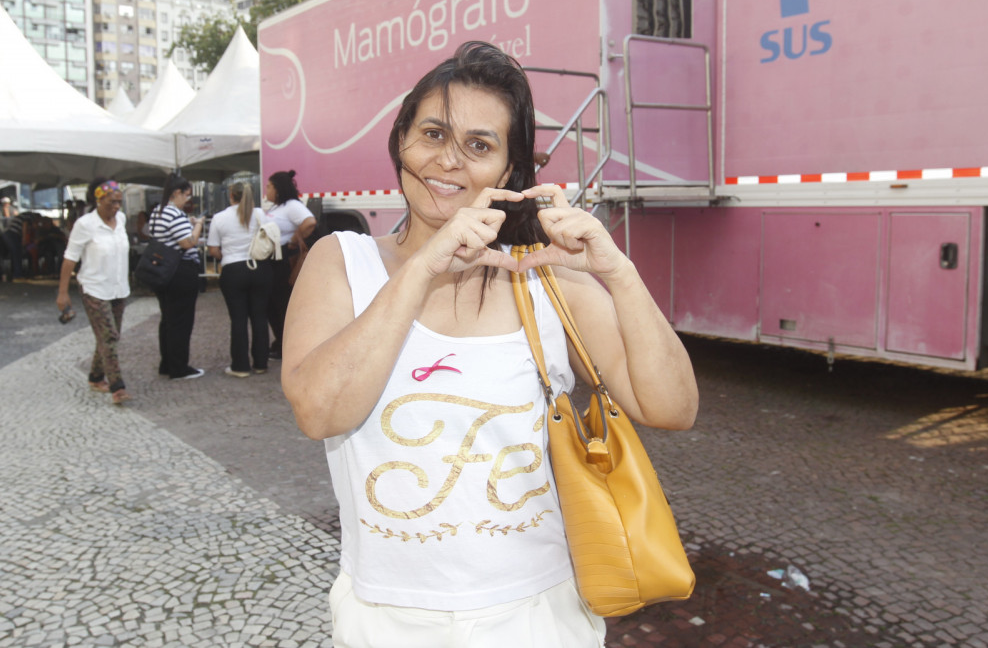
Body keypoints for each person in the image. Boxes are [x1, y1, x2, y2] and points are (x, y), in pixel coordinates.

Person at [280, 42, 699, 644]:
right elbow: (319, 411)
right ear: (400, 141)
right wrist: (423, 268)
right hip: (390, 620)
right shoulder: (342, 262)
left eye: (479, 145)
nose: (448, 161)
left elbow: (673, 408)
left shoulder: (546, 278)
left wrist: (619, 274)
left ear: (507, 172)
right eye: (432, 134)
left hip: (539, 617)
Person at [57, 179, 132, 405]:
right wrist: (63, 293)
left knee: (109, 336)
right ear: (98, 200)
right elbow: (70, 258)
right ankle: (117, 387)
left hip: (118, 288)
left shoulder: (121, 220)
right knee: (108, 336)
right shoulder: (85, 224)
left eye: (119, 202)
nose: (117, 207)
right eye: (112, 202)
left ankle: (96, 376)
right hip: (94, 288)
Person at [207, 180, 273, 378]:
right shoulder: (260, 214)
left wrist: (227, 255)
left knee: (238, 319)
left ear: (231, 195)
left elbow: (213, 249)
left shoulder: (219, 218)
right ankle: (261, 362)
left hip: (233, 270)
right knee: (260, 317)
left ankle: (240, 365)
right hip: (260, 268)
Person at [147, 174, 205, 380]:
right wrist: (198, 224)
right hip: (180, 272)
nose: (188, 200)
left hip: (163, 271)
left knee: (168, 320)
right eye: (186, 195)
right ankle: (179, 367)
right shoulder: (174, 213)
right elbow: (188, 242)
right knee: (181, 321)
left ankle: (167, 363)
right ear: (176, 193)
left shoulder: (157, 212)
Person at [264, 170, 315, 359]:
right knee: (273, 303)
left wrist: (293, 240)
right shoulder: (277, 207)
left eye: (269, 186)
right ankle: (279, 341)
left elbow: (310, 222)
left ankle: (286, 345)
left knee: (282, 303)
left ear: (278, 189)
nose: (266, 190)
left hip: (284, 258)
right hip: (272, 258)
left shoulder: (292, 206)